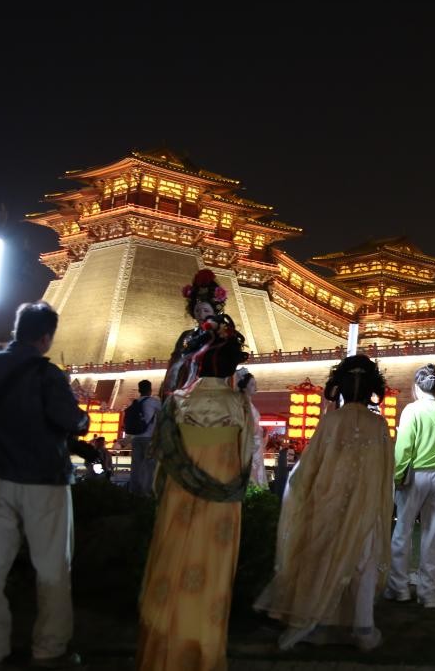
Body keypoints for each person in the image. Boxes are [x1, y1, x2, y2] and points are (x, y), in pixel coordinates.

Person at [0, 301, 89, 668]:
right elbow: (72, 420)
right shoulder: (48, 375)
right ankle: (50, 648)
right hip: (45, 482)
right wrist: (83, 421)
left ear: (18, 330)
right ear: (45, 338)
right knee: (51, 568)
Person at [137, 272, 255, 670]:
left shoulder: (218, 342)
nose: (204, 311)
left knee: (174, 539)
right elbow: (246, 456)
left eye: (209, 306)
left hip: (189, 418)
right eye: (199, 306)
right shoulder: (191, 344)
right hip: (208, 416)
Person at [254, 354, 393, 652]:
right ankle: (363, 627)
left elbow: (308, 468)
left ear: (340, 387)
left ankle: (317, 621)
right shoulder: (378, 425)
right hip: (366, 507)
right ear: (371, 388)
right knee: (363, 564)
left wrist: (297, 491)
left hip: (328, 504)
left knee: (322, 560)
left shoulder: (330, 421)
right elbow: (385, 473)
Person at [385, 364, 435, 609]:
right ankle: (428, 594)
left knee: (403, 531)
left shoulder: (412, 410)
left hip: (416, 475)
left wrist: (397, 476)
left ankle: (399, 587)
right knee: (433, 534)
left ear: (417, 387)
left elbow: (404, 447)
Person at [160, 268, 229, 396]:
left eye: (206, 311)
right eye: (197, 311)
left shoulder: (223, 334)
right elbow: (174, 365)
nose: (201, 315)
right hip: (184, 390)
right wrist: (168, 390)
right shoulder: (186, 336)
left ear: (214, 312)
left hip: (213, 392)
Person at [235, 368, 268, 488]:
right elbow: (248, 427)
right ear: (244, 387)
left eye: (255, 384)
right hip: (251, 444)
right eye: (252, 384)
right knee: (252, 473)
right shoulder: (244, 405)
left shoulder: (247, 404)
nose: (255, 387)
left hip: (255, 444)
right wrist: (259, 430)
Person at [128, 379, 161, 495]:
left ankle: (134, 491)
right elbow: (164, 412)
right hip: (148, 438)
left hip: (135, 438)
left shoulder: (135, 402)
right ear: (150, 390)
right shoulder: (153, 402)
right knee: (149, 466)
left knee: (136, 466)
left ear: (139, 390)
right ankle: (146, 493)